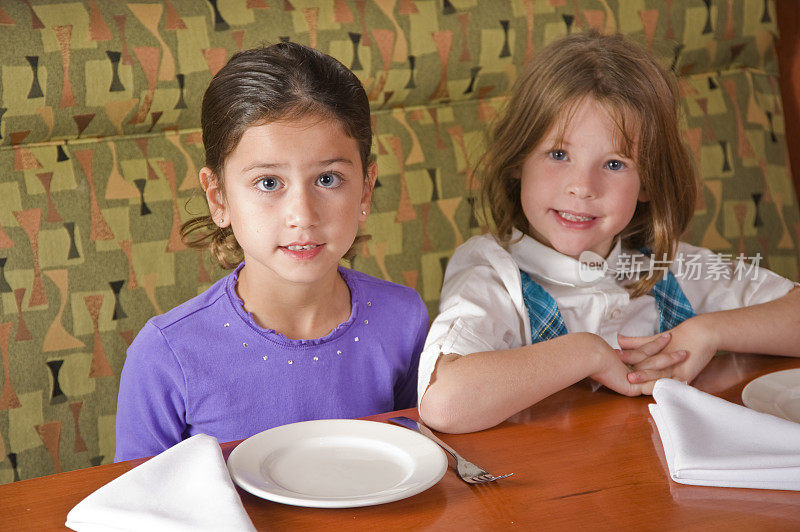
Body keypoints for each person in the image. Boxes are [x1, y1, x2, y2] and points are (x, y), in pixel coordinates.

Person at [418, 31, 800, 434]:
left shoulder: (670, 265)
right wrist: (587, 353)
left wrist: (708, 331)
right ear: (518, 159)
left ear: (649, 181)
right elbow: (445, 405)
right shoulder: (493, 274)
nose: (583, 186)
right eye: (559, 155)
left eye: (615, 164)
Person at [115, 42, 428, 461]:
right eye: (268, 183)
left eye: (329, 179)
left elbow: (418, 458)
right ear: (219, 198)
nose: (302, 215)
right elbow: (138, 509)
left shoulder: (404, 318)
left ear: (366, 187)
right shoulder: (164, 355)